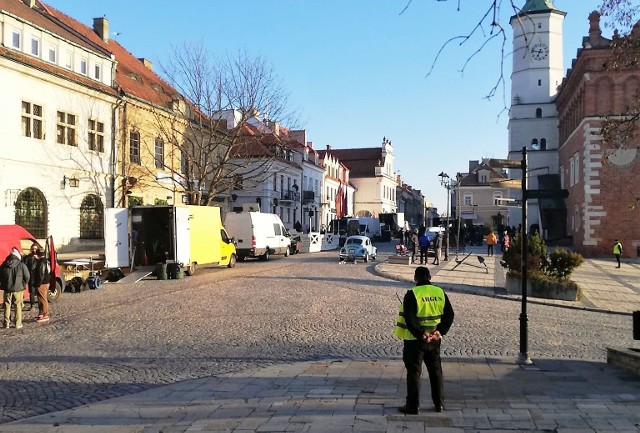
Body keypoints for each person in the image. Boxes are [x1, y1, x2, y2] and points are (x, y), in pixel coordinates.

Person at [394, 266, 454, 414]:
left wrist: (421, 334)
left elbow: (410, 318)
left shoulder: (412, 294)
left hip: (415, 341)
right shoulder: (440, 293)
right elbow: (449, 315)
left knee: (414, 372)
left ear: (415, 278)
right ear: (429, 278)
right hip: (434, 338)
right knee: (436, 371)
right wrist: (440, 331)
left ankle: (413, 406)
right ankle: (439, 403)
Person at [1, 247, 30, 329]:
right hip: (18, 289)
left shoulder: (4, 264)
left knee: (7, 306)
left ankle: (6, 323)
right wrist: (23, 284)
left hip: (7, 289)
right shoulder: (21, 265)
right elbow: (27, 276)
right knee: (18, 306)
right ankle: (18, 323)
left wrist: (3, 284)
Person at [33, 248, 51, 323]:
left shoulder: (41, 262)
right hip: (45, 282)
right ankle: (42, 313)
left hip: (42, 283)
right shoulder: (44, 260)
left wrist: (38, 283)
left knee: (43, 299)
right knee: (41, 298)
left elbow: (41, 274)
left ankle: (45, 314)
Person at [22, 243, 39, 310]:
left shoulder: (40, 257)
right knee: (31, 291)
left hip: (38, 276)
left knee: (39, 291)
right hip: (31, 276)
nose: (34, 250)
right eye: (33, 249)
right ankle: (33, 304)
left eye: (35, 249)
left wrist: (38, 259)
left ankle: (41, 305)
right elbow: (24, 265)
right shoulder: (29, 257)